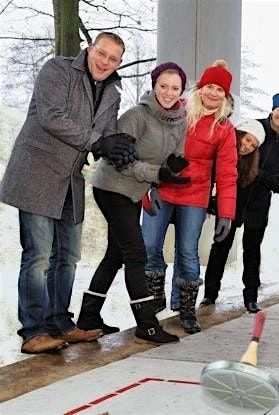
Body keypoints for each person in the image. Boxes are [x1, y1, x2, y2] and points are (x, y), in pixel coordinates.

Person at [0, 32, 137, 354]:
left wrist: (120, 147)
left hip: (69, 180)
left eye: (113, 59)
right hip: (36, 173)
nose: (105, 62)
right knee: (39, 257)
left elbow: (106, 133)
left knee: (69, 257)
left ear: (119, 63)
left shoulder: (112, 91)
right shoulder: (58, 70)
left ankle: (59, 322)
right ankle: (33, 331)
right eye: (101, 53)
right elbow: (52, 117)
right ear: (90, 49)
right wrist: (98, 142)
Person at [75, 62, 190, 344]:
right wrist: (157, 174)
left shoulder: (180, 120)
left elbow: (174, 155)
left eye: (175, 87)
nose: (168, 92)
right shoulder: (136, 116)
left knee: (116, 254)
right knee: (136, 254)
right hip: (112, 187)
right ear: (154, 85)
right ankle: (147, 325)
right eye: (163, 86)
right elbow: (120, 162)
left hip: (134, 193)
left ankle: (88, 318)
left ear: (182, 90)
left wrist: (172, 170)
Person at [142, 60, 238, 334]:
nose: (213, 93)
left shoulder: (224, 128)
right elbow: (152, 147)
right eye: (209, 86)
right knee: (149, 245)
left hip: (195, 196)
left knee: (187, 251)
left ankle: (185, 309)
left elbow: (228, 173)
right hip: (164, 187)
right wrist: (149, 186)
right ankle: (155, 298)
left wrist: (226, 213)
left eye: (220, 90)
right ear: (199, 88)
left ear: (225, 96)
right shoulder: (178, 111)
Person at [200, 93, 279, 313]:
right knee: (221, 244)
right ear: (273, 109)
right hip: (235, 194)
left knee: (252, 248)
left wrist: (271, 180)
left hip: (260, 201)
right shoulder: (255, 128)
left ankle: (251, 296)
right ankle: (210, 294)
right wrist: (263, 176)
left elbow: (278, 173)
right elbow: (238, 160)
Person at [203, 118, 264, 309]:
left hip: (245, 209)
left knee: (252, 252)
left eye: (253, 145)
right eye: (247, 139)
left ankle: (251, 297)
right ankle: (210, 295)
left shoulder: (250, 166)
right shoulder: (220, 151)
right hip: (225, 210)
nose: (247, 146)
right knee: (220, 249)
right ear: (238, 133)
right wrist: (210, 204)